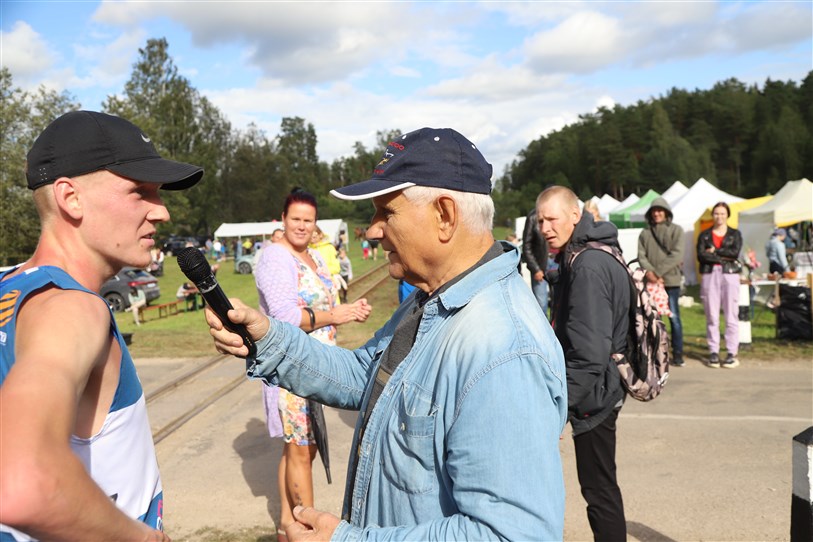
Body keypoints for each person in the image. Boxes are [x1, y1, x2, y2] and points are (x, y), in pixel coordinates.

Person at [205, 127, 567, 540]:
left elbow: (511, 535)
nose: (373, 230)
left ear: (445, 216)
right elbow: (364, 375)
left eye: (386, 212)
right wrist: (268, 338)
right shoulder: (431, 300)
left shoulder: (502, 349)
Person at [0, 110, 203, 541]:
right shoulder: (73, 308)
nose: (162, 212)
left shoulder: (11, 288)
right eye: (139, 191)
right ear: (70, 198)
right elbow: (22, 483)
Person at [254, 188, 373, 541]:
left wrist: (347, 313)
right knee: (301, 450)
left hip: (317, 368)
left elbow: (324, 306)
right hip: (292, 371)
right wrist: (334, 315)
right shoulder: (276, 257)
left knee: (301, 447)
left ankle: (286, 526)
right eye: (295, 219)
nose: (302, 226)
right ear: (283, 219)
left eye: (308, 220)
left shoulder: (315, 257)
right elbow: (284, 318)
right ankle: (307, 529)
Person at [537, 185, 630, 541]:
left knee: (599, 491)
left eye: (552, 219)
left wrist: (558, 407)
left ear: (575, 215)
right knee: (599, 486)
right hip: (600, 386)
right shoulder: (589, 253)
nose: (545, 228)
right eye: (540, 221)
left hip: (596, 393)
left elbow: (589, 355)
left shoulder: (587, 266)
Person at [637, 197, 685, 367]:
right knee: (653, 320)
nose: (657, 213)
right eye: (654, 211)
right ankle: (656, 353)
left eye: (660, 210)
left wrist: (657, 272)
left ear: (666, 212)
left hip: (670, 282)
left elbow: (677, 254)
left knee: (674, 319)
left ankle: (678, 353)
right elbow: (641, 255)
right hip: (650, 283)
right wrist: (650, 272)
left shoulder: (676, 230)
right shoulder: (645, 233)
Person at [697, 202, 743, 369]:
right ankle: (713, 351)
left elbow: (734, 253)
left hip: (730, 274)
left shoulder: (735, 234)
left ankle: (731, 352)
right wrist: (722, 256)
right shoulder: (704, 235)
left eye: (722, 213)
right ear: (713, 215)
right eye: (716, 213)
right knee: (712, 315)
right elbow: (701, 255)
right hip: (710, 274)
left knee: (731, 314)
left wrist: (715, 252)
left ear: (727, 215)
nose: (719, 216)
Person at [522, 208, 550, 318]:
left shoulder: (560, 213)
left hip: (558, 263)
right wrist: (535, 269)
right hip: (541, 265)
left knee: (559, 303)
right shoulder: (533, 217)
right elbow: (526, 246)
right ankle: (542, 328)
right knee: (541, 304)